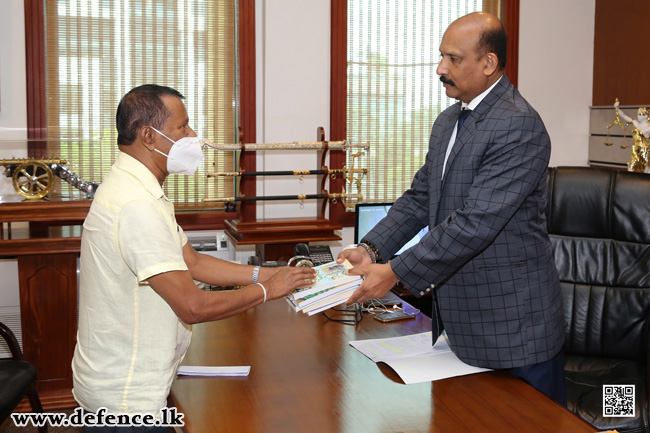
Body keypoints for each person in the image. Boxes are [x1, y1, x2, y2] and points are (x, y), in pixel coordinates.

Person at [338, 12, 566, 405]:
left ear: (488, 63)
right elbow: (420, 197)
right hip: (459, 329)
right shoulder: (448, 121)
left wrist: (393, 273)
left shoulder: (519, 125)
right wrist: (371, 249)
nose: (440, 68)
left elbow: (474, 224)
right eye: (441, 56)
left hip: (514, 332)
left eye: (453, 59)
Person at [72, 84, 316, 431]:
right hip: (125, 400)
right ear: (149, 136)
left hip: (126, 385)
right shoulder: (135, 206)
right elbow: (192, 306)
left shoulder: (139, 188)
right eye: (182, 127)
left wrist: (266, 274)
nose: (194, 136)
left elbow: (193, 263)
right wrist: (268, 291)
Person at [614, 100, 650, 173]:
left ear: (646, 116)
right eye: (638, 114)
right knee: (631, 168)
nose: (638, 116)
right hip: (636, 149)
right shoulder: (635, 123)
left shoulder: (649, 127)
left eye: (640, 114)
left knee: (644, 170)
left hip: (644, 151)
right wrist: (616, 108)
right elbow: (624, 116)